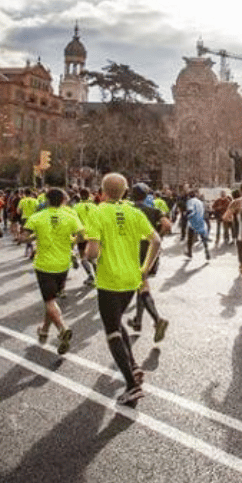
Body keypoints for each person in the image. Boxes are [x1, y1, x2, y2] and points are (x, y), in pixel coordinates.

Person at [83, 173, 162, 405]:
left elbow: (92, 253)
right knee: (117, 321)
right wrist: (145, 267)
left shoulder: (97, 212)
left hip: (109, 280)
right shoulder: (134, 212)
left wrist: (90, 254)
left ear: (102, 191)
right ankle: (135, 367)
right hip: (132, 278)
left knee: (112, 331)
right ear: (125, 191)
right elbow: (156, 240)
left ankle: (131, 385)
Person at [19, 188, 83, 355]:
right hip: (63, 265)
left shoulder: (37, 217)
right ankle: (45, 331)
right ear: (63, 200)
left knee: (49, 301)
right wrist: (71, 242)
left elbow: (23, 237)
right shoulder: (70, 215)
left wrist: (34, 237)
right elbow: (82, 236)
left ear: (46, 200)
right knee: (52, 298)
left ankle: (62, 328)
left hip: (44, 265)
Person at [126, 183, 172, 342]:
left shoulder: (127, 210)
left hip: (131, 252)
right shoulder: (154, 211)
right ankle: (138, 321)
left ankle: (157, 319)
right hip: (150, 252)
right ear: (146, 197)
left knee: (141, 286)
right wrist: (159, 236)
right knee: (142, 284)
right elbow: (167, 225)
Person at [184, 192, 212, 261]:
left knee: (190, 238)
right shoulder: (200, 202)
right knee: (203, 238)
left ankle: (189, 252)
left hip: (193, 222)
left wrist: (186, 215)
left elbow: (190, 210)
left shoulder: (190, 201)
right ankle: (207, 251)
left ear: (189, 196)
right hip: (201, 221)